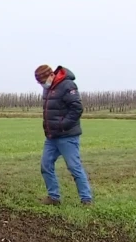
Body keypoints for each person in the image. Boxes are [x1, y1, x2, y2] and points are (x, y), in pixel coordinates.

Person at [34, 64, 93, 205]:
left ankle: (86, 199)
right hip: (52, 137)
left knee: (74, 167)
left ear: (51, 75)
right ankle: (53, 197)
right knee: (46, 165)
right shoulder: (48, 89)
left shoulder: (67, 85)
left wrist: (62, 125)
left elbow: (77, 109)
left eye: (42, 81)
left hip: (67, 136)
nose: (42, 85)